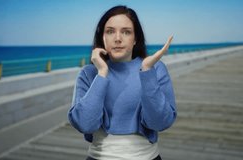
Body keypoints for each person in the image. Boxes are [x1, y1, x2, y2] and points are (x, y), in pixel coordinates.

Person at [68, 5, 177, 160]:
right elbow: (85, 124)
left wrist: (146, 71)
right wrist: (102, 73)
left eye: (126, 32)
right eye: (110, 31)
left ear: (135, 39)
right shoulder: (88, 73)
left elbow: (160, 123)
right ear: (102, 38)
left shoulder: (155, 69)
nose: (117, 38)